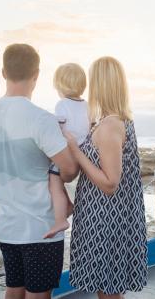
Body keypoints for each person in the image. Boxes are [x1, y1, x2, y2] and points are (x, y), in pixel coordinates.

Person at [0, 44, 78, 299]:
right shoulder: (40, 119)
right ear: (36, 74)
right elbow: (68, 170)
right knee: (38, 294)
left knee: (14, 289)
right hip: (41, 227)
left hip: (8, 224)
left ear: (3, 72)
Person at [66, 56, 148, 299]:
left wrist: (75, 151)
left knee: (109, 292)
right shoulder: (113, 121)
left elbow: (110, 183)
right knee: (110, 290)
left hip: (106, 220)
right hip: (110, 216)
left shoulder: (110, 126)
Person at [44, 63, 89, 239]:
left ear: (60, 85)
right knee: (59, 181)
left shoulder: (62, 104)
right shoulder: (87, 104)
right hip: (83, 152)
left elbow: (59, 128)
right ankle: (68, 204)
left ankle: (61, 219)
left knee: (54, 181)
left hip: (69, 151)